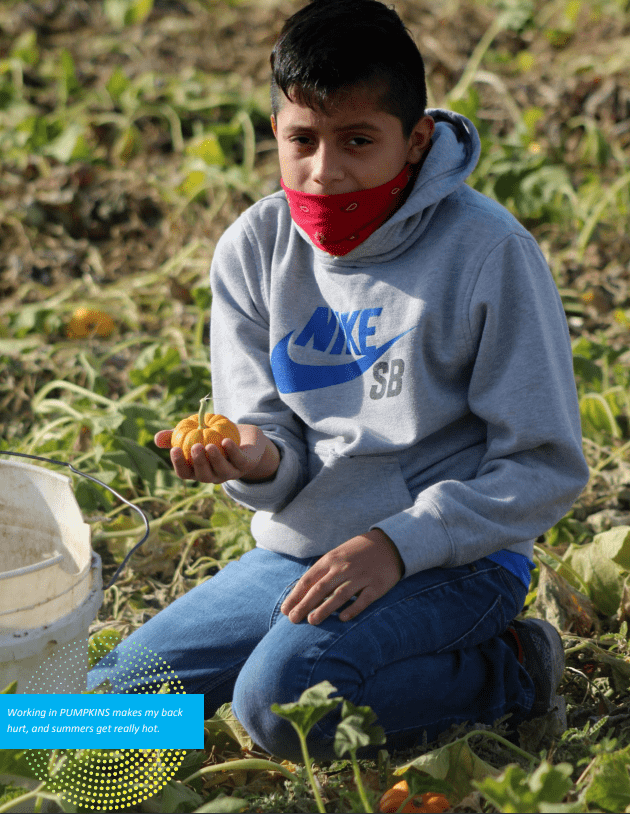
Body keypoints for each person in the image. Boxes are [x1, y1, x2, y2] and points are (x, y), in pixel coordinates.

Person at [89, 0, 590, 761]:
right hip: (301, 552)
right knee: (90, 714)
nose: (326, 171)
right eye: (303, 141)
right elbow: (269, 433)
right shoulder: (255, 248)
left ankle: (509, 672)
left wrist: (398, 543)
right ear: (276, 136)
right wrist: (255, 458)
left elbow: (545, 466)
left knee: (280, 705)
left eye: (359, 140)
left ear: (416, 141)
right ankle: (185, 727)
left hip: (458, 558)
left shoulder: (488, 253)